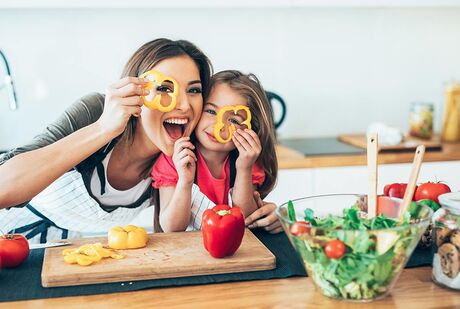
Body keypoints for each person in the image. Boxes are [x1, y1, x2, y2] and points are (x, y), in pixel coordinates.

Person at [0, 39, 281, 243]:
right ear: (136, 91)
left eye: (194, 90)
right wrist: (103, 129)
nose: (182, 105)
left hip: (63, 256)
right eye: (164, 88)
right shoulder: (97, 112)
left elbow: (206, 216)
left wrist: (266, 218)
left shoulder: (182, 159)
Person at [151, 70, 278, 232]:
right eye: (211, 111)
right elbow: (171, 227)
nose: (218, 125)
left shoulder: (248, 161)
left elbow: (246, 219)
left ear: (250, 128)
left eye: (233, 119)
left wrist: (244, 168)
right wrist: (185, 181)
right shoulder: (175, 158)